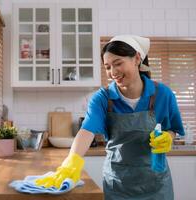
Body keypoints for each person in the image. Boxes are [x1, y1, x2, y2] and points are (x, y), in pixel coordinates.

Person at [35, 35, 185, 199]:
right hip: (118, 185)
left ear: (136, 58)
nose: (112, 72)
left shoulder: (163, 94)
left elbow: (173, 128)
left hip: (156, 185)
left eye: (118, 63)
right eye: (107, 67)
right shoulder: (102, 98)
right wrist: (71, 161)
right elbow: (87, 130)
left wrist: (168, 137)